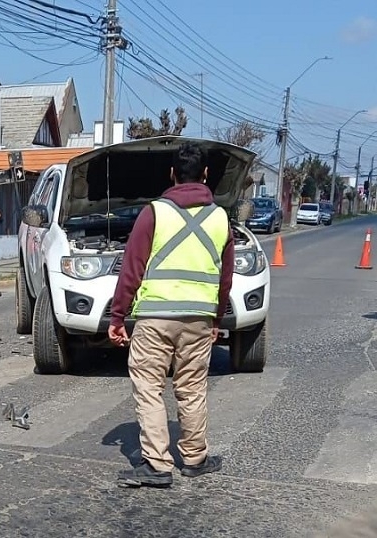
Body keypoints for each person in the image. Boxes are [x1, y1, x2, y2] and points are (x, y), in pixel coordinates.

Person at [108, 141, 235, 489]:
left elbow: (131, 268)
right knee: (192, 387)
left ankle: (158, 465)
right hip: (199, 318)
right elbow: (226, 278)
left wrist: (118, 317)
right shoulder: (221, 218)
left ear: (172, 175)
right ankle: (194, 459)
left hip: (154, 317)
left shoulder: (154, 213)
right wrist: (216, 320)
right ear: (206, 174)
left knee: (149, 386)